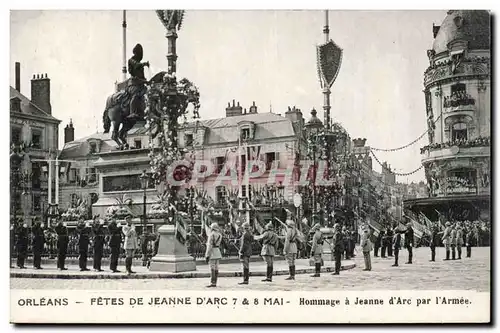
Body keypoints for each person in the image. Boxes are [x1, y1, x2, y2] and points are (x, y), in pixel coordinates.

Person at [126, 43, 150, 119]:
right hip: (133, 83)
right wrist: (144, 64)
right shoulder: (131, 60)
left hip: (140, 83)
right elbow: (136, 65)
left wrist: (145, 80)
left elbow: (141, 75)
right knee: (135, 95)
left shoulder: (138, 62)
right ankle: (132, 112)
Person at [205, 223, 222, 288]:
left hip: (212, 252)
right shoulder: (220, 235)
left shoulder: (211, 234)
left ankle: (213, 282)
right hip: (217, 251)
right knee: (216, 267)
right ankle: (215, 282)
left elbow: (209, 246)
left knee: (212, 268)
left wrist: (207, 255)